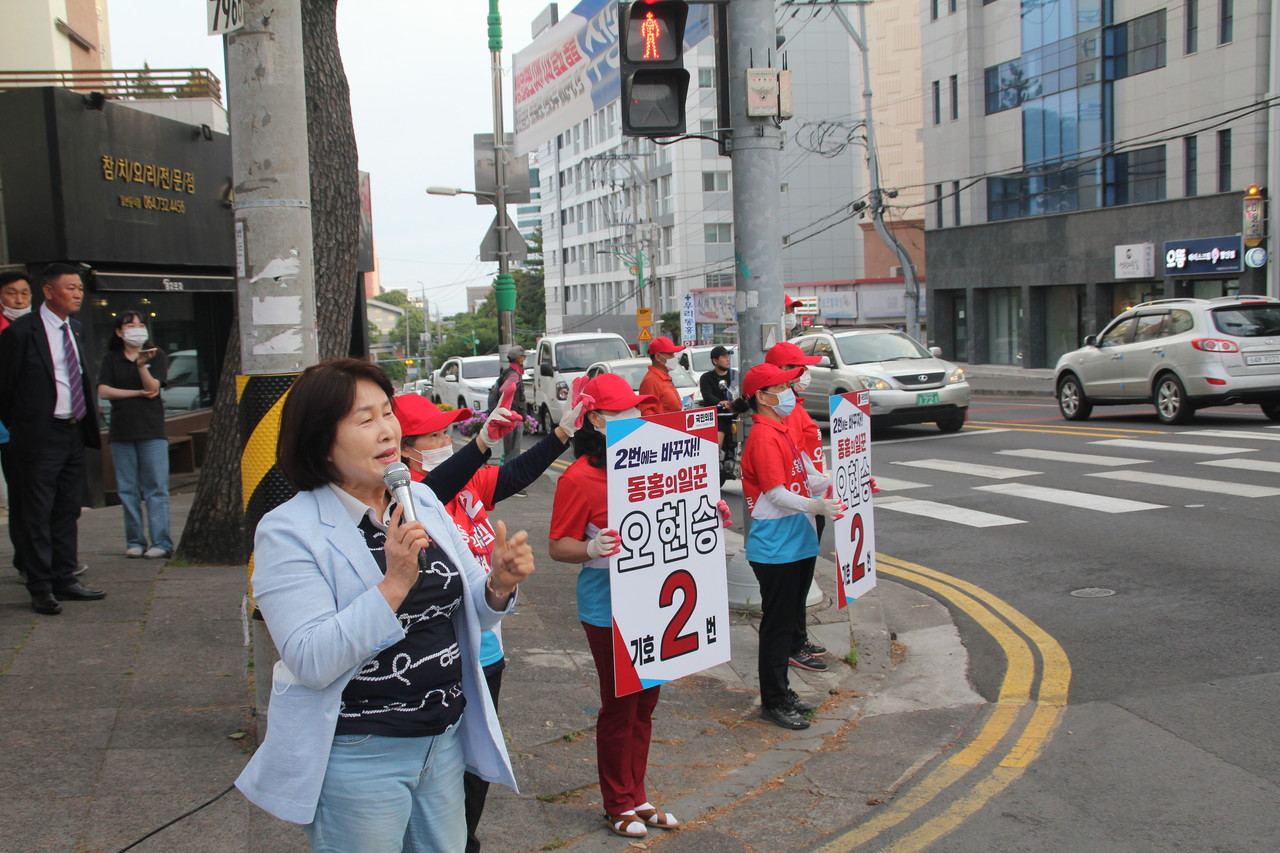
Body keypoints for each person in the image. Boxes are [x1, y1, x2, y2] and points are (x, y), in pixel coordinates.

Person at [235, 358, 533, 853]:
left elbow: (472, 613)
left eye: (387, 413)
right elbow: (309, 658)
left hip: (442, 739)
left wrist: (499, 585)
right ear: (320, 441)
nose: (386, 430)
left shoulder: (420, 501)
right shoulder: (288, 530)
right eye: (364, 419)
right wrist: (393, 584)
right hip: (358, 752)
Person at [394, 393, 583, 853]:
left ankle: (465, 841)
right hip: (446, 657)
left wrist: (562, 432)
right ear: (403, 449)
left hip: (489, 650)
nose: (445, 440)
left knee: (477, 766)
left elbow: (515, 473)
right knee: (440, 771)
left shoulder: (468, 485)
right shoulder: (406, 502)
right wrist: (479, 442)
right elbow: (435, 486)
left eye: (447, 431)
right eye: (434, 434)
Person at [548, 373, 681, 840]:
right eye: (626, 411)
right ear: (599, 419)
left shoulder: (650, 464)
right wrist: (590, 549)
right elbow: (558, 545)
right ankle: (616, 803)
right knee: (620, 705)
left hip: (657, 603)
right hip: (607, 609)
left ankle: (637, 794)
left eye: (639, 410)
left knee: (646, 703)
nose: (638, 417)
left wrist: (704, 512)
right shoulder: (579, 477)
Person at [734, 363, 844, 731]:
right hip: (776, 549)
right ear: (763, 397)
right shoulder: (764, 437)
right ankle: (774, 701)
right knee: (778, 627)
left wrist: (837, 486)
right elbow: (775, 493)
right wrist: (815, 506)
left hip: (795, 543)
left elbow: (805, 478)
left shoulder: (780, 428)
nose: (790, 392)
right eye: (781, 387)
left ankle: (782, 693)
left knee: (786, 621)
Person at [0, 263, 106, 615]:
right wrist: (24, 426)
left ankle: (65, 576)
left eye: (80, 288)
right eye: (70, 287)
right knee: (36, 512)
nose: (77, 293)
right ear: (48, 291)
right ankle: (40, 585)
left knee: (67, 509)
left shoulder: (75, 329)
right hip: (38, 436)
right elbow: (5, 388)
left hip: (73, 431)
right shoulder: (21, 332)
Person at [764, 340, 830, 671]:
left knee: (803, 577)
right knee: (794, 583)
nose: (806, 373)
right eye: (800, 368)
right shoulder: (781, 415)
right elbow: (785, 473)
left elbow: (807, 461)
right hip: (798, 507)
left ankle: (797, 637)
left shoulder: (795, 407)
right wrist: (814, 501)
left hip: (811, 500)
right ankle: (791, 643)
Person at [96, 311, 173, 559]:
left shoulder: (156, 355)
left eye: (140, 324)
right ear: (119, 332)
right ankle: (135, 540)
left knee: (156, 488)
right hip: (121, 432)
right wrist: (136, 393)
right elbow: (104, 392)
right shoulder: (111, 359)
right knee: (127, 490)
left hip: (152, 431)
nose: (136, 328)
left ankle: (161, 542)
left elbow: (153, 387)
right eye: (130, 325)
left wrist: (141, 365)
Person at [698, 345, 738, 475]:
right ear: (715, 361)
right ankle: (711, 471)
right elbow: (707, 396)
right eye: (724, 357)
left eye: (728, 356)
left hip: (735, 417)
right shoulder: (706, 377)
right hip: (718, 417)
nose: (728, 359)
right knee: (715, 446)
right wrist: (720, 402)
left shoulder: (735, 375)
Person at [493, 345, 527, 467]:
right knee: (513, 453)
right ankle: (509, 479)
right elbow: (503, 390)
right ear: (518, 359)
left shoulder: (510, 372)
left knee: (510, 452)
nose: (524, 359)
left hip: (510, 416)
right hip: (513, 418)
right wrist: (511, 405)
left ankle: (508, 478)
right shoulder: (514, 375)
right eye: (523, 356)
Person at [637, 336, 685, 416]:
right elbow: (647, 413)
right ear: (658, 357)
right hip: (664, 427)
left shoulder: (664, 377)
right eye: (671, 354)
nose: (674, 358)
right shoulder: (651, 381)